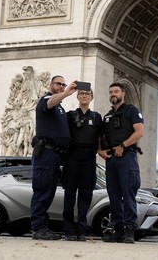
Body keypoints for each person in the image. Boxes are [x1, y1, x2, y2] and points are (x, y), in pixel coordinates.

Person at [30, 75, 77, 240]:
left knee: (48, 192)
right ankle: (38, 228)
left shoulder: (60, 107)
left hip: (55, 155)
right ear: (51, 84)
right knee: (43, 191)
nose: (62, 86)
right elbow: (50, 103)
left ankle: (43, 226)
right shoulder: (46, 100)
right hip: (46, 153)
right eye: (59, 84)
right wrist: (67, 93)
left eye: (64, 85)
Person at [98, 83, 144, 244]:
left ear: (123, 94)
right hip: (111, 159)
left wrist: (123, 146)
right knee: (114, 195)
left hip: (127, 156)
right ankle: (117, 231)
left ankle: (130, 231)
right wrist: (100, 151)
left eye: (116, 91)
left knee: (128, 193)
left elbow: (139, 132)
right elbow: (100, 136)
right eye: (110, 92)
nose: (113, 94)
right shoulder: (107, 116)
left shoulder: (132, 111)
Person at [62, 89, 102, 241]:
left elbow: (100, 137)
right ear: (77, 97)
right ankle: (69, 231)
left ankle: (81, 230)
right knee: (69, 195)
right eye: (81, 94)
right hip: (72, 157)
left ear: (92, 97)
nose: (84, 96)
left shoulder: (97, 117)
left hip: (89, 158)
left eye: (87, 94)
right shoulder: (70, 115)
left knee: (86, 195)